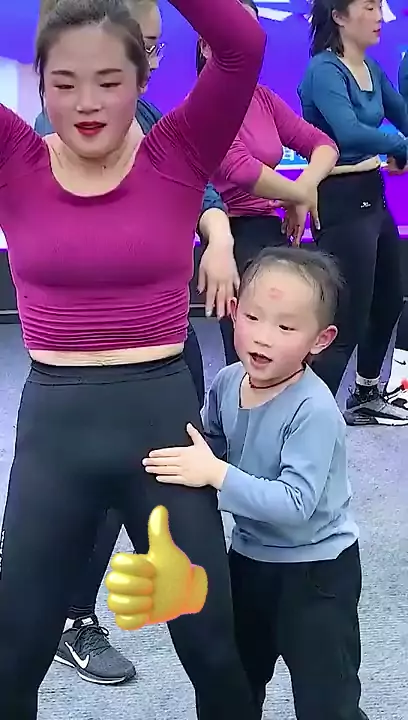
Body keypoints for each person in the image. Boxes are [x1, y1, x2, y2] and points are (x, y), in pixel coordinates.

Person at [0, 0, 267, 716]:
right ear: (39, 82)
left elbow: (241, 43)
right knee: (13, 653)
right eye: (64, 83)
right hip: (54, 434)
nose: (86, 103)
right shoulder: (15, 159)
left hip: (162, 430)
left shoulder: (177, 152)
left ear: (143, 78)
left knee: (213, 647)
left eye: (109, 81)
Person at [141, 246, 369, 720]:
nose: (263, 336)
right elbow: (210, 445)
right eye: (252, 317)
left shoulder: (313, 409)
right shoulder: (227, 382)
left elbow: (295, 504)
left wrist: (216, 474)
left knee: (327, 700)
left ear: (320, 339)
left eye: (286, 328)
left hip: (317, 573)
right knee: (234, 687)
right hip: (247, 563)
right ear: (233, 310)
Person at [196, 0, 339, 364]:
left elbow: (323, 145)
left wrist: (303, 189)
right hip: (231, 234)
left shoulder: (262, 98)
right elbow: (241, 170)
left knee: (291, 342)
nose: (248, 42)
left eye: (254, 35)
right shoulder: (202, 104)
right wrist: (298, 194)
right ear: (206, 45)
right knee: (251, 353)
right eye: (236, 32)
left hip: (269, 230)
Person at [298, 0, 408, 425]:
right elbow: (348, 133)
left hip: (371, 193)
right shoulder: (324, 70)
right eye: (369, 6)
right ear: (340, 16)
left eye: (380, 6)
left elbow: (402, 116)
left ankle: (365, 393)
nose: (380, 16)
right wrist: (399, 146)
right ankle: (308, 415)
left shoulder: (372, 68)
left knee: (388, 299)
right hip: (339, 197)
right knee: (348, 314)